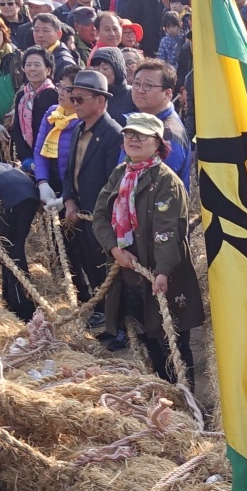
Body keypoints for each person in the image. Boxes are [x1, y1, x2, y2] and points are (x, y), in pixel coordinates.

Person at [88, 113, 200, 384]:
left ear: (158, 142)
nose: (133, 140)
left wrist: (162, 272)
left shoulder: (166, 182)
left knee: (172, 342)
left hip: (162, 274)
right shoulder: (121, 173)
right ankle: (162, 393)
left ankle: (186, 400)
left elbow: (167, 232)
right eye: (128, 134)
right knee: (145, 336)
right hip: (129, 271)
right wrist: (114, 249)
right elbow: (100, 215)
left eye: (141, 135)